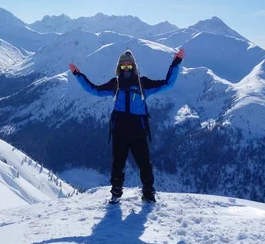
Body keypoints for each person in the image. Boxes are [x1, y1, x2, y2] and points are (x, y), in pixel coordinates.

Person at [69, 48, 185, 204]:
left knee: (144, 165)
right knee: (118, 165)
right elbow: (94, 90)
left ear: (134, 66)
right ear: (119, 67)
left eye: (129, 66)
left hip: (137, 132)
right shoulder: (115, 84)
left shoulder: (142, 83)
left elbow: (167, 84)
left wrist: (176, 62)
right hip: (121, 132)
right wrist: (78, 74)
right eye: (123, 66)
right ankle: (116, 193)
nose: (126, 69)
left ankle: (148, 194)